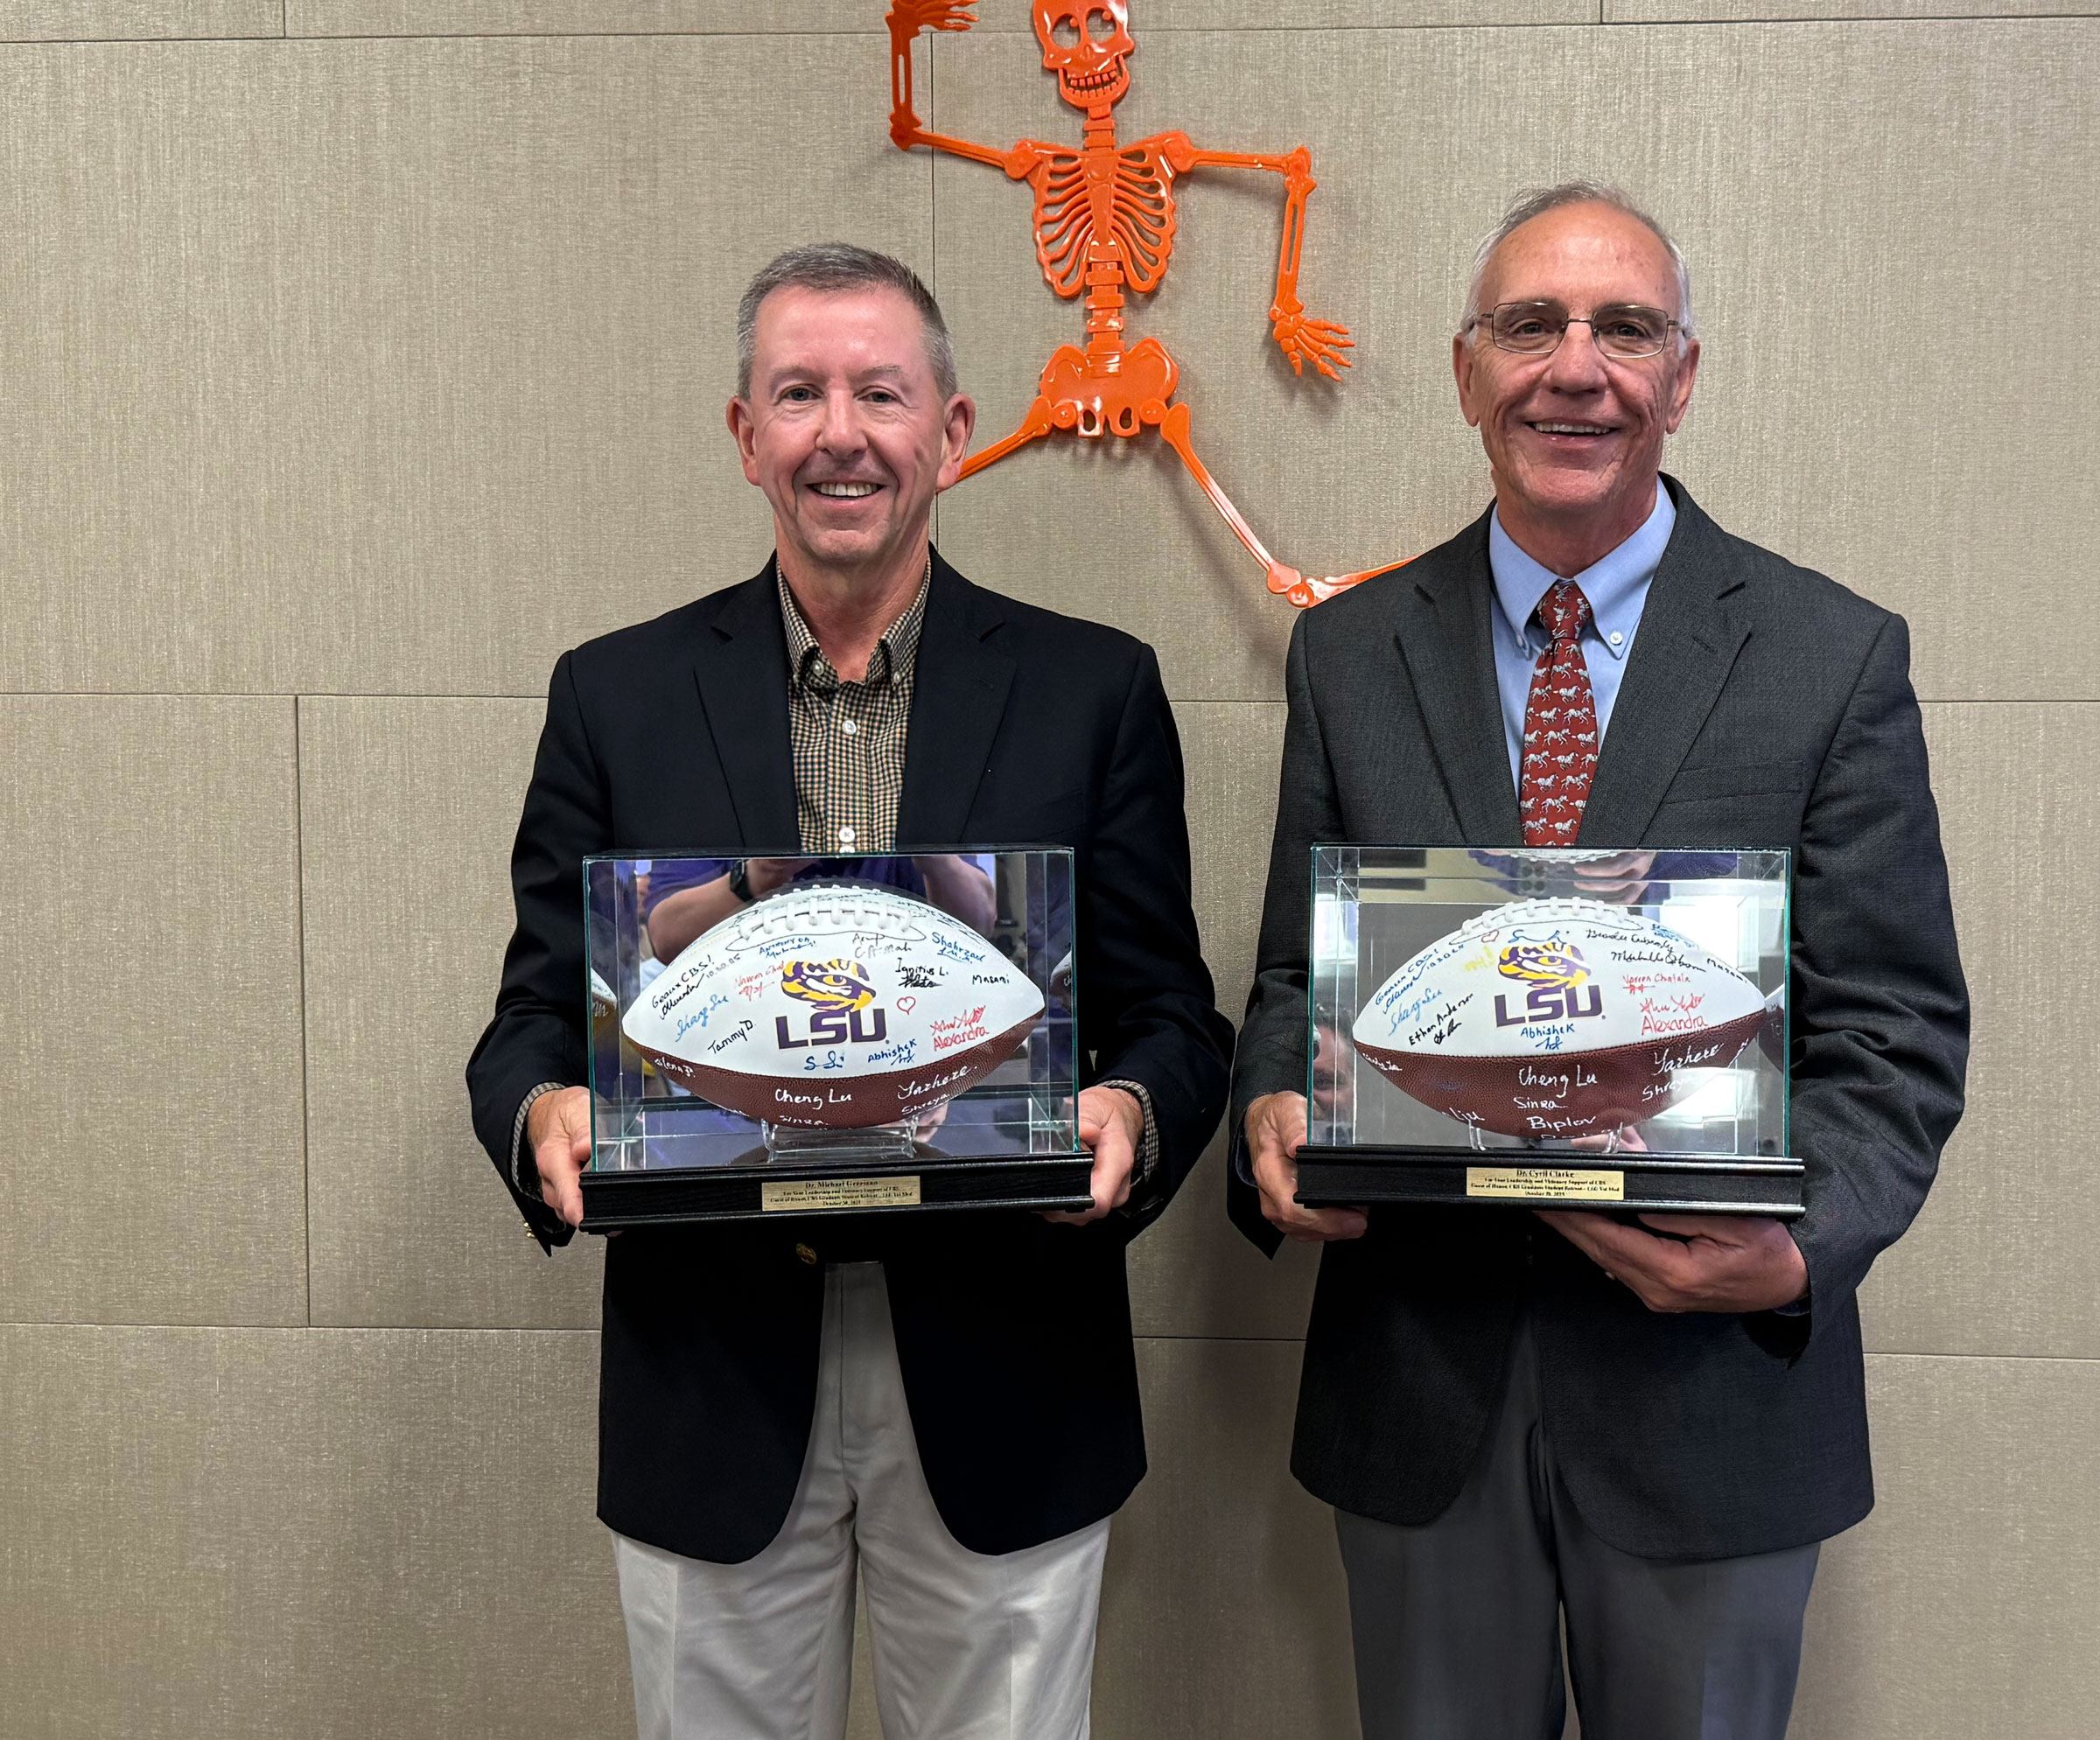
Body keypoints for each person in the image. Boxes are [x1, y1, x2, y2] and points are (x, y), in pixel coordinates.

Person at [1228, 183, 1969, 1740]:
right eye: (1531, 326)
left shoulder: (1832, 656)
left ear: (1681, 377)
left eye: (1625, 328)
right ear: (1466, 372)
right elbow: (1297, 979)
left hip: (1712, 1404)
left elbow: (1895, 1029)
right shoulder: (1350, 653)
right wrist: (1275, 1111)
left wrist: (1799, 1247)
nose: (1576, 367)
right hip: (1420, 1388)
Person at [467, 242, 1232, 1740]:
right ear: (744, 434)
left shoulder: (1095, 690)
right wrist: (544, 1109)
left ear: (952, 429)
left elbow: (1173, 1015)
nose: (841, 434)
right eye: (798, 393)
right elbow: (533, 1020)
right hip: (713, 1369)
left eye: (881, 393)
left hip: (1008, 1358)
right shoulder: (614, 695)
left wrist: (1134, 1111)